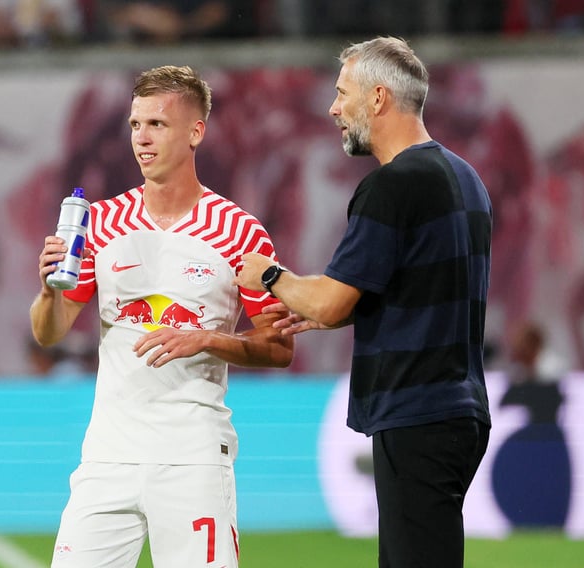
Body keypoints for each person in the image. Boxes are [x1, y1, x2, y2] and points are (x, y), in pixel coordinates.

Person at [236, 36, 492, 568]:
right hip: (461, 409)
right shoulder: (466, 179)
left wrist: (270, 275)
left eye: (341, 93)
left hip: (416, 410)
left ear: (377, 99)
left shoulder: (391, 186)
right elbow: (397, 290)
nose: (333, 108)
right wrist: (317, 308)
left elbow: (330, 301)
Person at [30, 65, 293, 568]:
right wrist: (46, 292)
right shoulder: (99, 223)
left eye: (158, 125)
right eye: (135, 125)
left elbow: (279, 348)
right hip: (107, 455)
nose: (142, 139)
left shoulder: (240, 232)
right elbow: (50, 331)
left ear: (196, 132)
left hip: (192, 456)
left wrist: (207, 339)